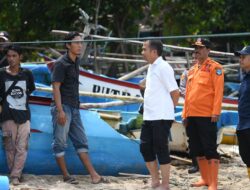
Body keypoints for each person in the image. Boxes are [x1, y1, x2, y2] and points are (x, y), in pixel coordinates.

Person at [51, 31, 105, 184]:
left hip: (74, 107)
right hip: (63, 108)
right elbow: (55, 88)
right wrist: (60, 111)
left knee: (81, 142)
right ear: (68, 45)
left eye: (81, 42)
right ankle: (66, 176)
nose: (80, 45)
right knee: (60, 142)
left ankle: (94, 175)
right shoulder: (61, 64)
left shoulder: (76, 61)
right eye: (76, 42)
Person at [182, 38, 224, 190]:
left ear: (208, 50)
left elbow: (219, 91)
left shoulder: (215, 67)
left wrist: (216, 112)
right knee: (196, 149)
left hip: (207, 115)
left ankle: (213, 183)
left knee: (209, 149)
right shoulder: (192, 70)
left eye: (200, 48)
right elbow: (187, 95)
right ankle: (204, 179)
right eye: (195, 48)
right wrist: (184, 114)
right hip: (191, 115)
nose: (196, 50)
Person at [140, 40, 180, 190]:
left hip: (161, 117)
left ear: (154, 52)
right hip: (149, 116)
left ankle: (165, 184)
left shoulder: (164, 67)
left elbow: (175, 92)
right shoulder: (152, 67)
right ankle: (155, 180)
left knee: (161, 148)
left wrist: (169, 110)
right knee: (145, 148)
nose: (142, 52)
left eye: (144, 49)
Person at [0, 44, 35, 185]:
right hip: (7, 116)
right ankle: (14, 174)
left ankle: (16, 175)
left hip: (24, 115)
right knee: (9, 147)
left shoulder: (27, 74)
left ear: (20, 57)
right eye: (8, 56)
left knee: (23, 147)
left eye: (14, 56)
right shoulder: (1, 73)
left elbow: (30, 90)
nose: (11, 59)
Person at [179, 52, 199, 174]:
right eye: (193, 58)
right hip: (189, 109)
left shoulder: (207, 72)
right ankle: (195, 164)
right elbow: (182, 89)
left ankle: (205, 165)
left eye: (196, 57)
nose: (194, 60)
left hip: (203, 110)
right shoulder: (186, 73)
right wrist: (193, 95)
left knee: (204, 138)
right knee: (191, 138)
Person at [234, 46, 250, 180]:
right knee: (246, 158)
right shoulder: (244, 77)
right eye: (240, 56)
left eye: (244, 56)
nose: (241, 59)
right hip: (243, 124)